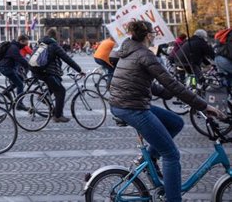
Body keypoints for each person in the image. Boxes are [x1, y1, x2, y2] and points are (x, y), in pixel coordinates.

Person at [110, 20, 222, 202]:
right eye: (153, 33)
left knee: (176, 122)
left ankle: (151, 158)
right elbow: (171, 83)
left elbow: (143, 81)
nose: (155, 35)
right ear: (148, 36)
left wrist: (166, 92)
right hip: (132, 107)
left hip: (125, 103)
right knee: (171, 155)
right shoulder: (144, 54)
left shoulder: (130, 50)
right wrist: (204, 105)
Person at [30, 28, 84, 123]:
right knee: (61, 91)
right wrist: (79, 70)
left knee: (56, 83)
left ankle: (44, 97)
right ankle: (58, 116)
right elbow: (67, 58)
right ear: (56, 36)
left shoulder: (40, 43)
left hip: (37, 71)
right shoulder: (54, 45)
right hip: (47, 72)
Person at [0, 34, 31, 110]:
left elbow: (19, 59)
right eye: (26, 42)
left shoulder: (15, 46)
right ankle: (19, 104)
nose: (26, 44)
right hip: (6, 68)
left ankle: (7, 91)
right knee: (20, 84)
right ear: (21, 41)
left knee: (20, 79)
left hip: (7, 67)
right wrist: (30, 66)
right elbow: (19, 58)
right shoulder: (14, 47)